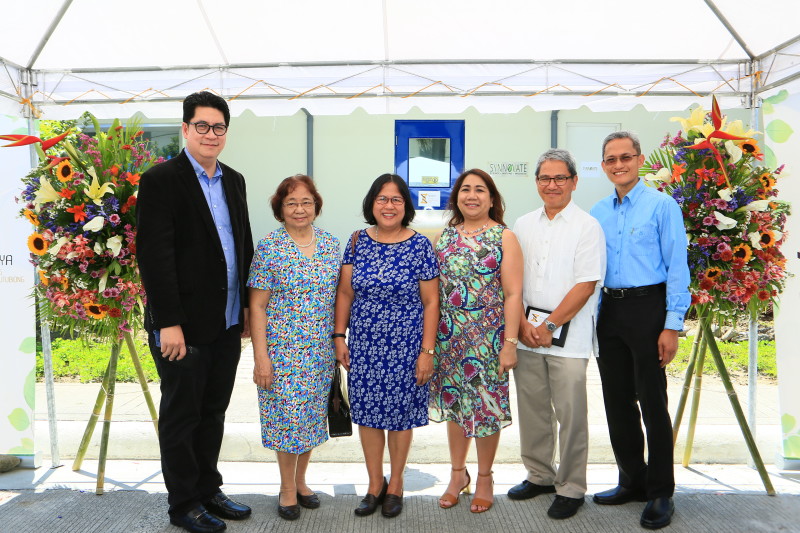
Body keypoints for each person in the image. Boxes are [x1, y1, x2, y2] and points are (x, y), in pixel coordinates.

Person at [137, 91, 254, 533]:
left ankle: (208, 489)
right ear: (185, 129)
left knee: (213, 412)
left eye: (218, 127)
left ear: (226, 133)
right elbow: (154, 256)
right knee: (182, 416)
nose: (210, 134)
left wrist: (243, 305)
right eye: (201, 126)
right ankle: (184, 503)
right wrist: (168, 322)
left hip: (225, 322)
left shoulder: (234, 180)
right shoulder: (162, 180)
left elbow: (242, 243)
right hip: (181, 328)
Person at [590, 131, 690, 530]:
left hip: (648, 308)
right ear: (603, 165)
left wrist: (672, 324)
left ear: (640, 159)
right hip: (607, 311)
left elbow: (678, 267)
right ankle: (631, 479)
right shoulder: (597, 211)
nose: (619, 164)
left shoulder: (663, 206)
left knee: (652, 401)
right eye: (611, 159)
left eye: (625, 157)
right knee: (616, 402)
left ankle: (661, 491)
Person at [334, 173, 439, 519]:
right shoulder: (356, 241)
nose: (389, 205)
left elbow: (431, 302)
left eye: (396, 199)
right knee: (367, 414)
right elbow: (346, 293)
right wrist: (339, 336)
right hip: (364, 344)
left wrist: (427, 351)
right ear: (371, 203)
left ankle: (396, 484)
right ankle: (374, 483)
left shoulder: (420, 245)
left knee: (399, 416)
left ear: (406, 206)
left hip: (406, 346)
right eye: (382, 198)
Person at [508, 149, 605, 520]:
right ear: (536, 183)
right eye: (545, 179)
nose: (552, 185)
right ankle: (540, 475)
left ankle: (572, 486)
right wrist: (523, 327)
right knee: (532, 411)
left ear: (574, 181)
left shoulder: (587, 226)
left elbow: (585, 284)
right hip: (527, 333)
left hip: (569, 338)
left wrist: (549, 326)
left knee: (571, 414)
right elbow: (512, 282)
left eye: (560, 178)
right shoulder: (522, 223)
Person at [429, 168, 523, 514]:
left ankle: (484, 477)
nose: (472, 195)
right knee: (455, 407)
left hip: (488, 339)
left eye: (480, 190)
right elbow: (435, 293)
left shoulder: (504, 237)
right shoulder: (446, 236)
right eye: (465, 189)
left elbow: (513, 294)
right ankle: (457, 475)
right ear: (456, 198)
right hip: (450, 338)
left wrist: (510, 342)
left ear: (492, 198)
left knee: (486, 408)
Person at [247, 175, 339, 521]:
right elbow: (256, 306)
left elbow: (339, 298)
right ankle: (286, 488)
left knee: (312, 419)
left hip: (319, 352)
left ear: (316, 206)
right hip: (282, 352)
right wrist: (260, 358)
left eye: (306, 202)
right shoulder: (270, 248)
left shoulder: (331, 245)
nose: (299, 209)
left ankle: (302, 482)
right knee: (287, 420)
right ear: (280, 209)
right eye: (291, 203)